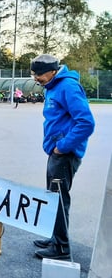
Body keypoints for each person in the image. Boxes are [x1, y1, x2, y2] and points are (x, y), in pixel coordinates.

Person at [30, 54, 95, 260]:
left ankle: (61, 248)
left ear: (53, 71)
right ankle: (55, 238)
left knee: (58, 199)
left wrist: (62, 147)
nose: (36, 78)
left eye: (39, 74)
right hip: (56, 152)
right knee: (53, 197)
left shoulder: (67, 87)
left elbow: (86, 122)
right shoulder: (52, 86)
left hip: (64, 154)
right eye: (33, 74)